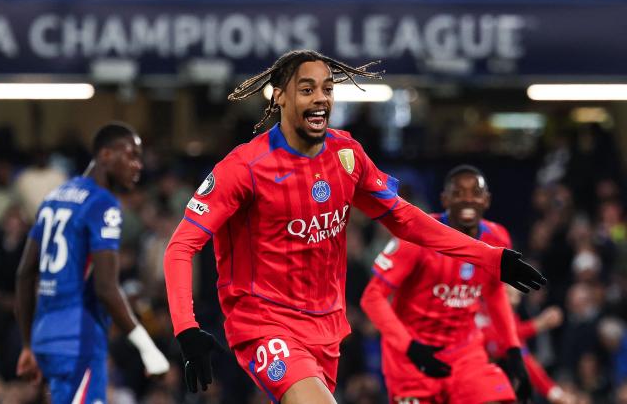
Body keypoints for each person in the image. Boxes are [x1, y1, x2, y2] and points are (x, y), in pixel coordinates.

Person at [163, 50, 545, 404]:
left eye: (327, 89)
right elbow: (180, 247)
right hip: (265, 324)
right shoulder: (244, 168)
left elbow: (406, 219)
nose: (321, 99)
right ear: (279, 96)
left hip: (327, 330)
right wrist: (186, 329)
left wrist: (491, 258)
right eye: (307, 89)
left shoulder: (347, 155)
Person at [15, 123, 170, 403]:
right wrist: (147, 347)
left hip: (45, 338)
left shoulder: (54, 197)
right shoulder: (103, 204)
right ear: (106, 155)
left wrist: (28, 344)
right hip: (78, 340)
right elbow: (106, 289)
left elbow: (25, 274)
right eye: (131, 155)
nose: (138, 165)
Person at [360, 165, 531, 404]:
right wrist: (409, 347)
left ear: (487, 200)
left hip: (465, 356)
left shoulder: (497, 238)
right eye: (458, 193)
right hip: (412, 361)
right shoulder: (415, 236)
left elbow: (494, 294)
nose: (467, 200)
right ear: (444, 199)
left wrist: (513, 352)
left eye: (475, 192)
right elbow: (372, 297)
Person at [481, 285, 575, 404]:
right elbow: (498, 339)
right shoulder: (479, 312)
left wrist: (554, 393)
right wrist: (539, 324)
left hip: (498, 386)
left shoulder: (513, 319)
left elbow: (524, 359)